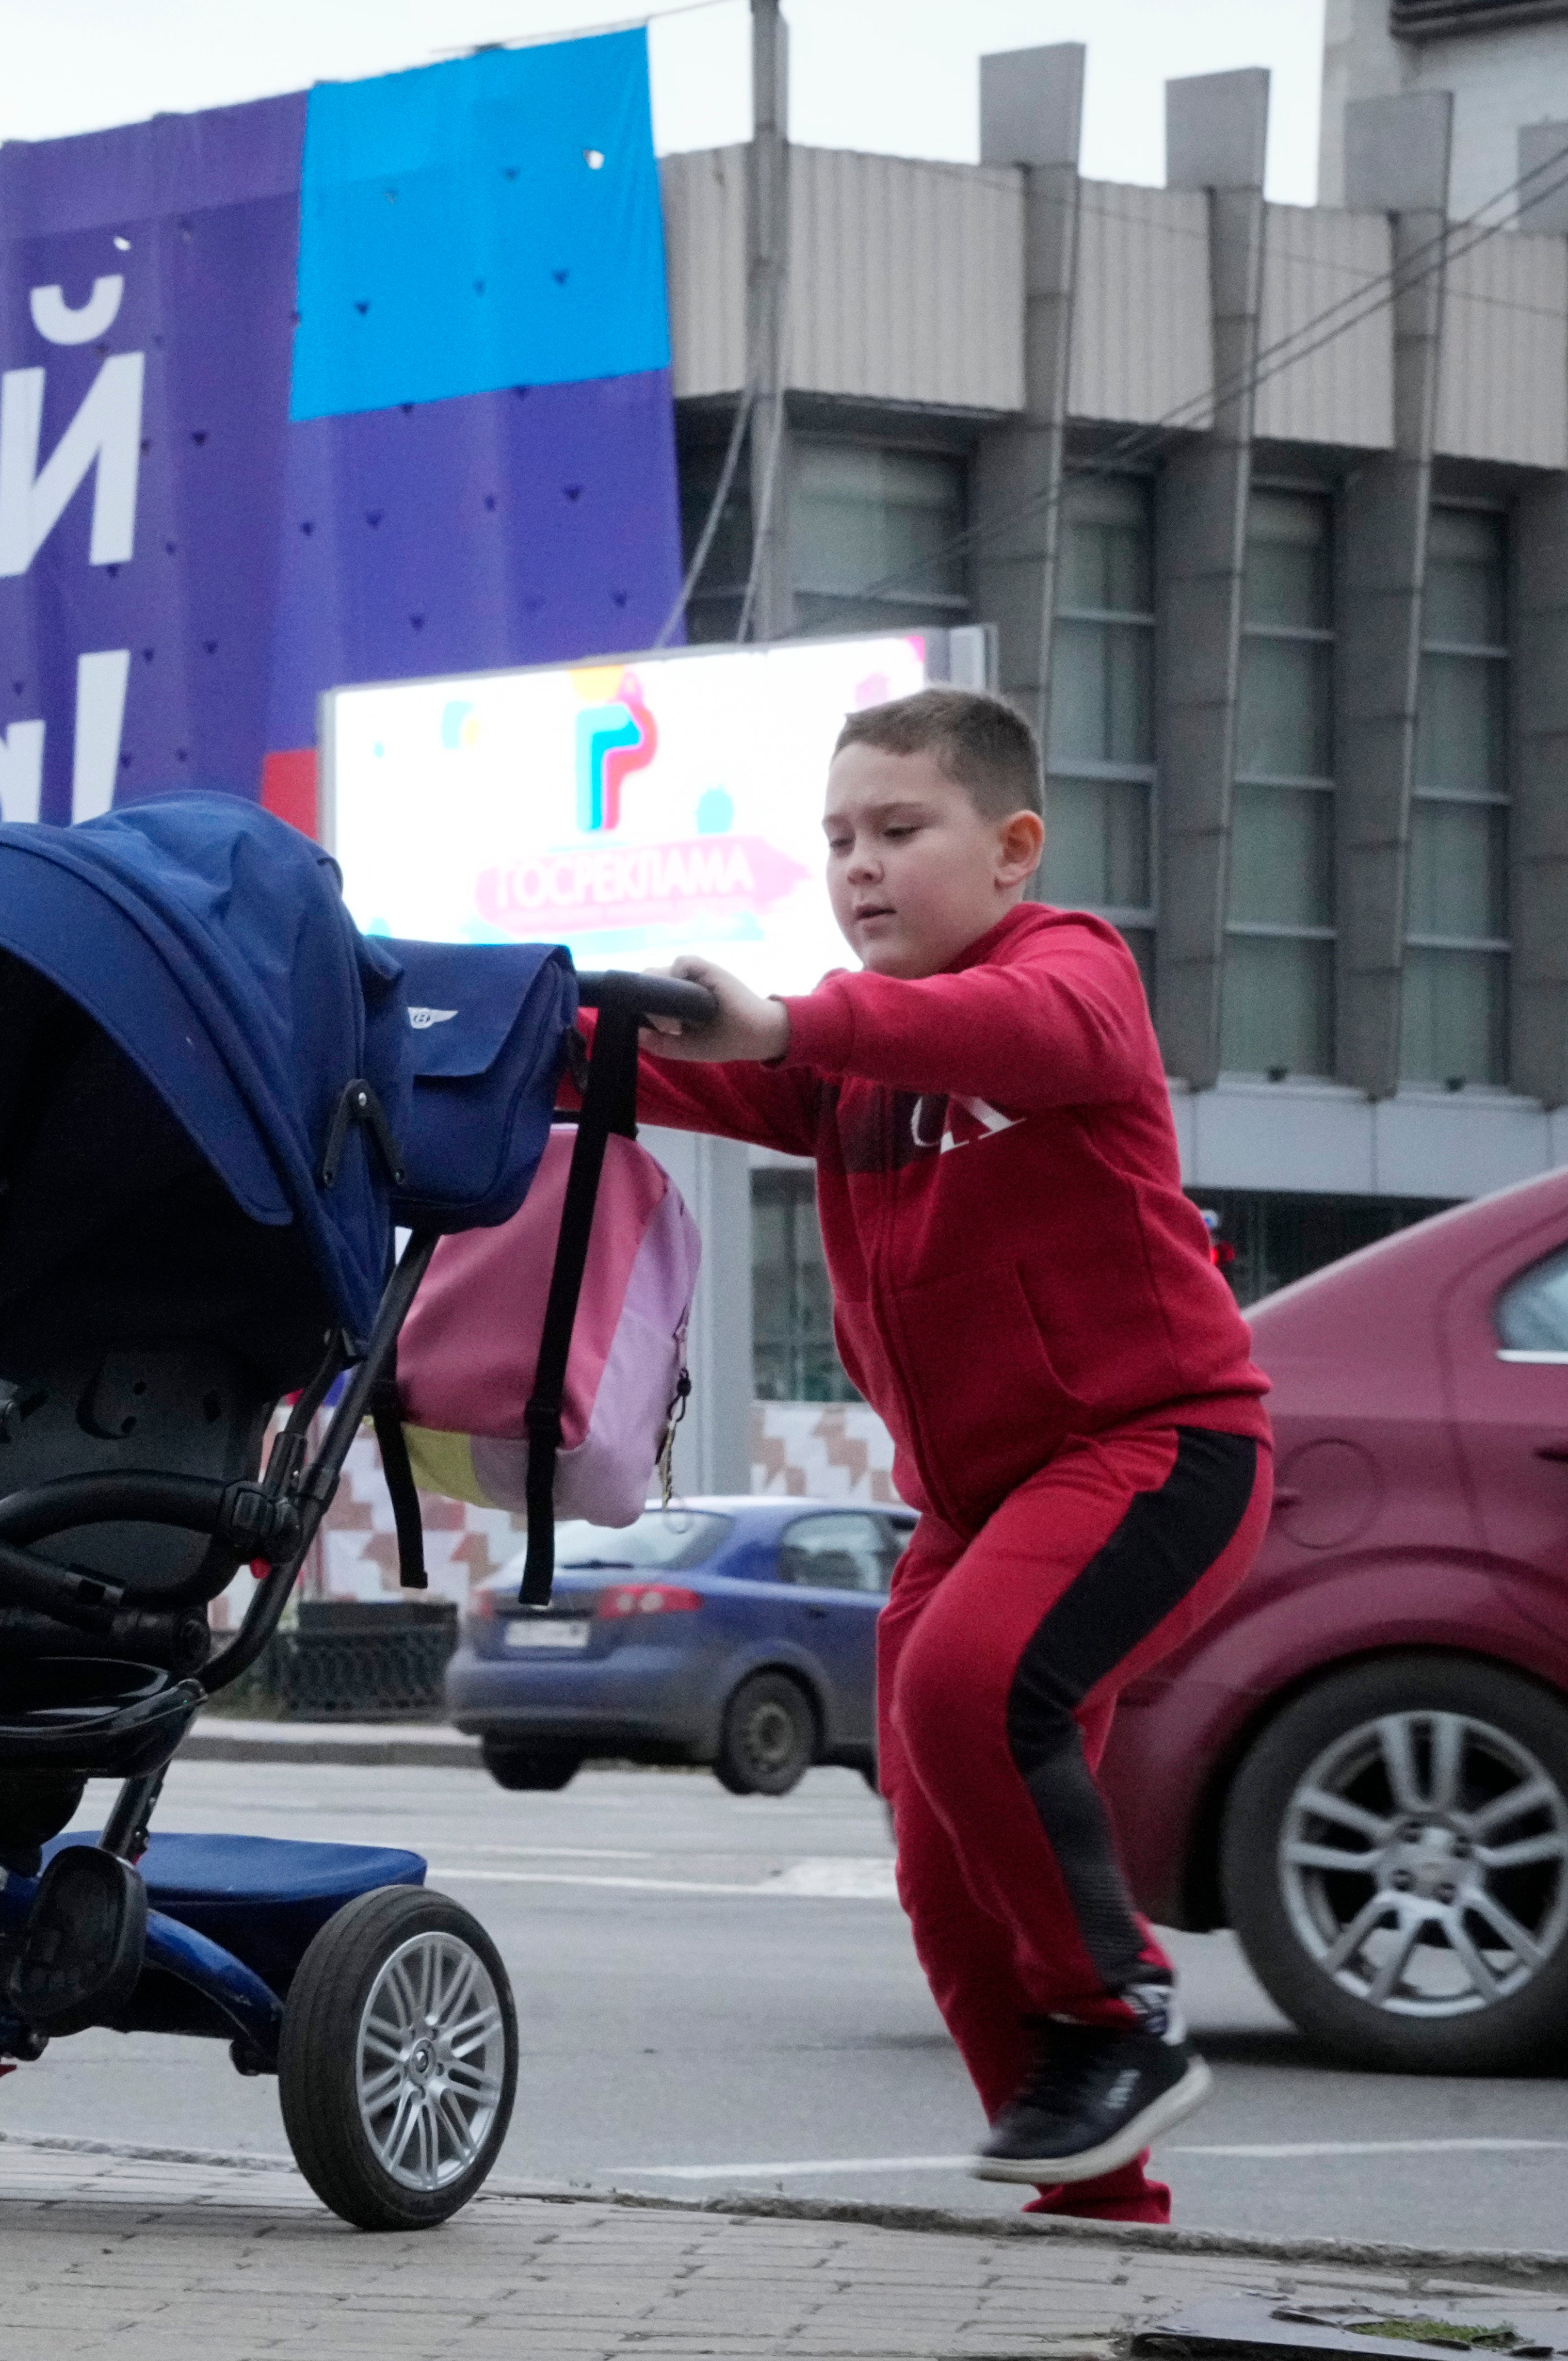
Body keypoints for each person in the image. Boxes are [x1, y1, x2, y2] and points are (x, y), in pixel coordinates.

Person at [626, 687, 1270, 2227]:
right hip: (978, 1504)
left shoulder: (1071, 976)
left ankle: (1118, 2016)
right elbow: (656, 1065)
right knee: (935, 1838)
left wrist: (790, 1018)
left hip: (1157, 1447)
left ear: (1012, 850)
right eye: (837, 837)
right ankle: (1089, 2191)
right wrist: (494, 1025)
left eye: (900, 831)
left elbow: (1005, 1031)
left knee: (967, 1686)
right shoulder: (848, 1065)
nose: (858, 865)